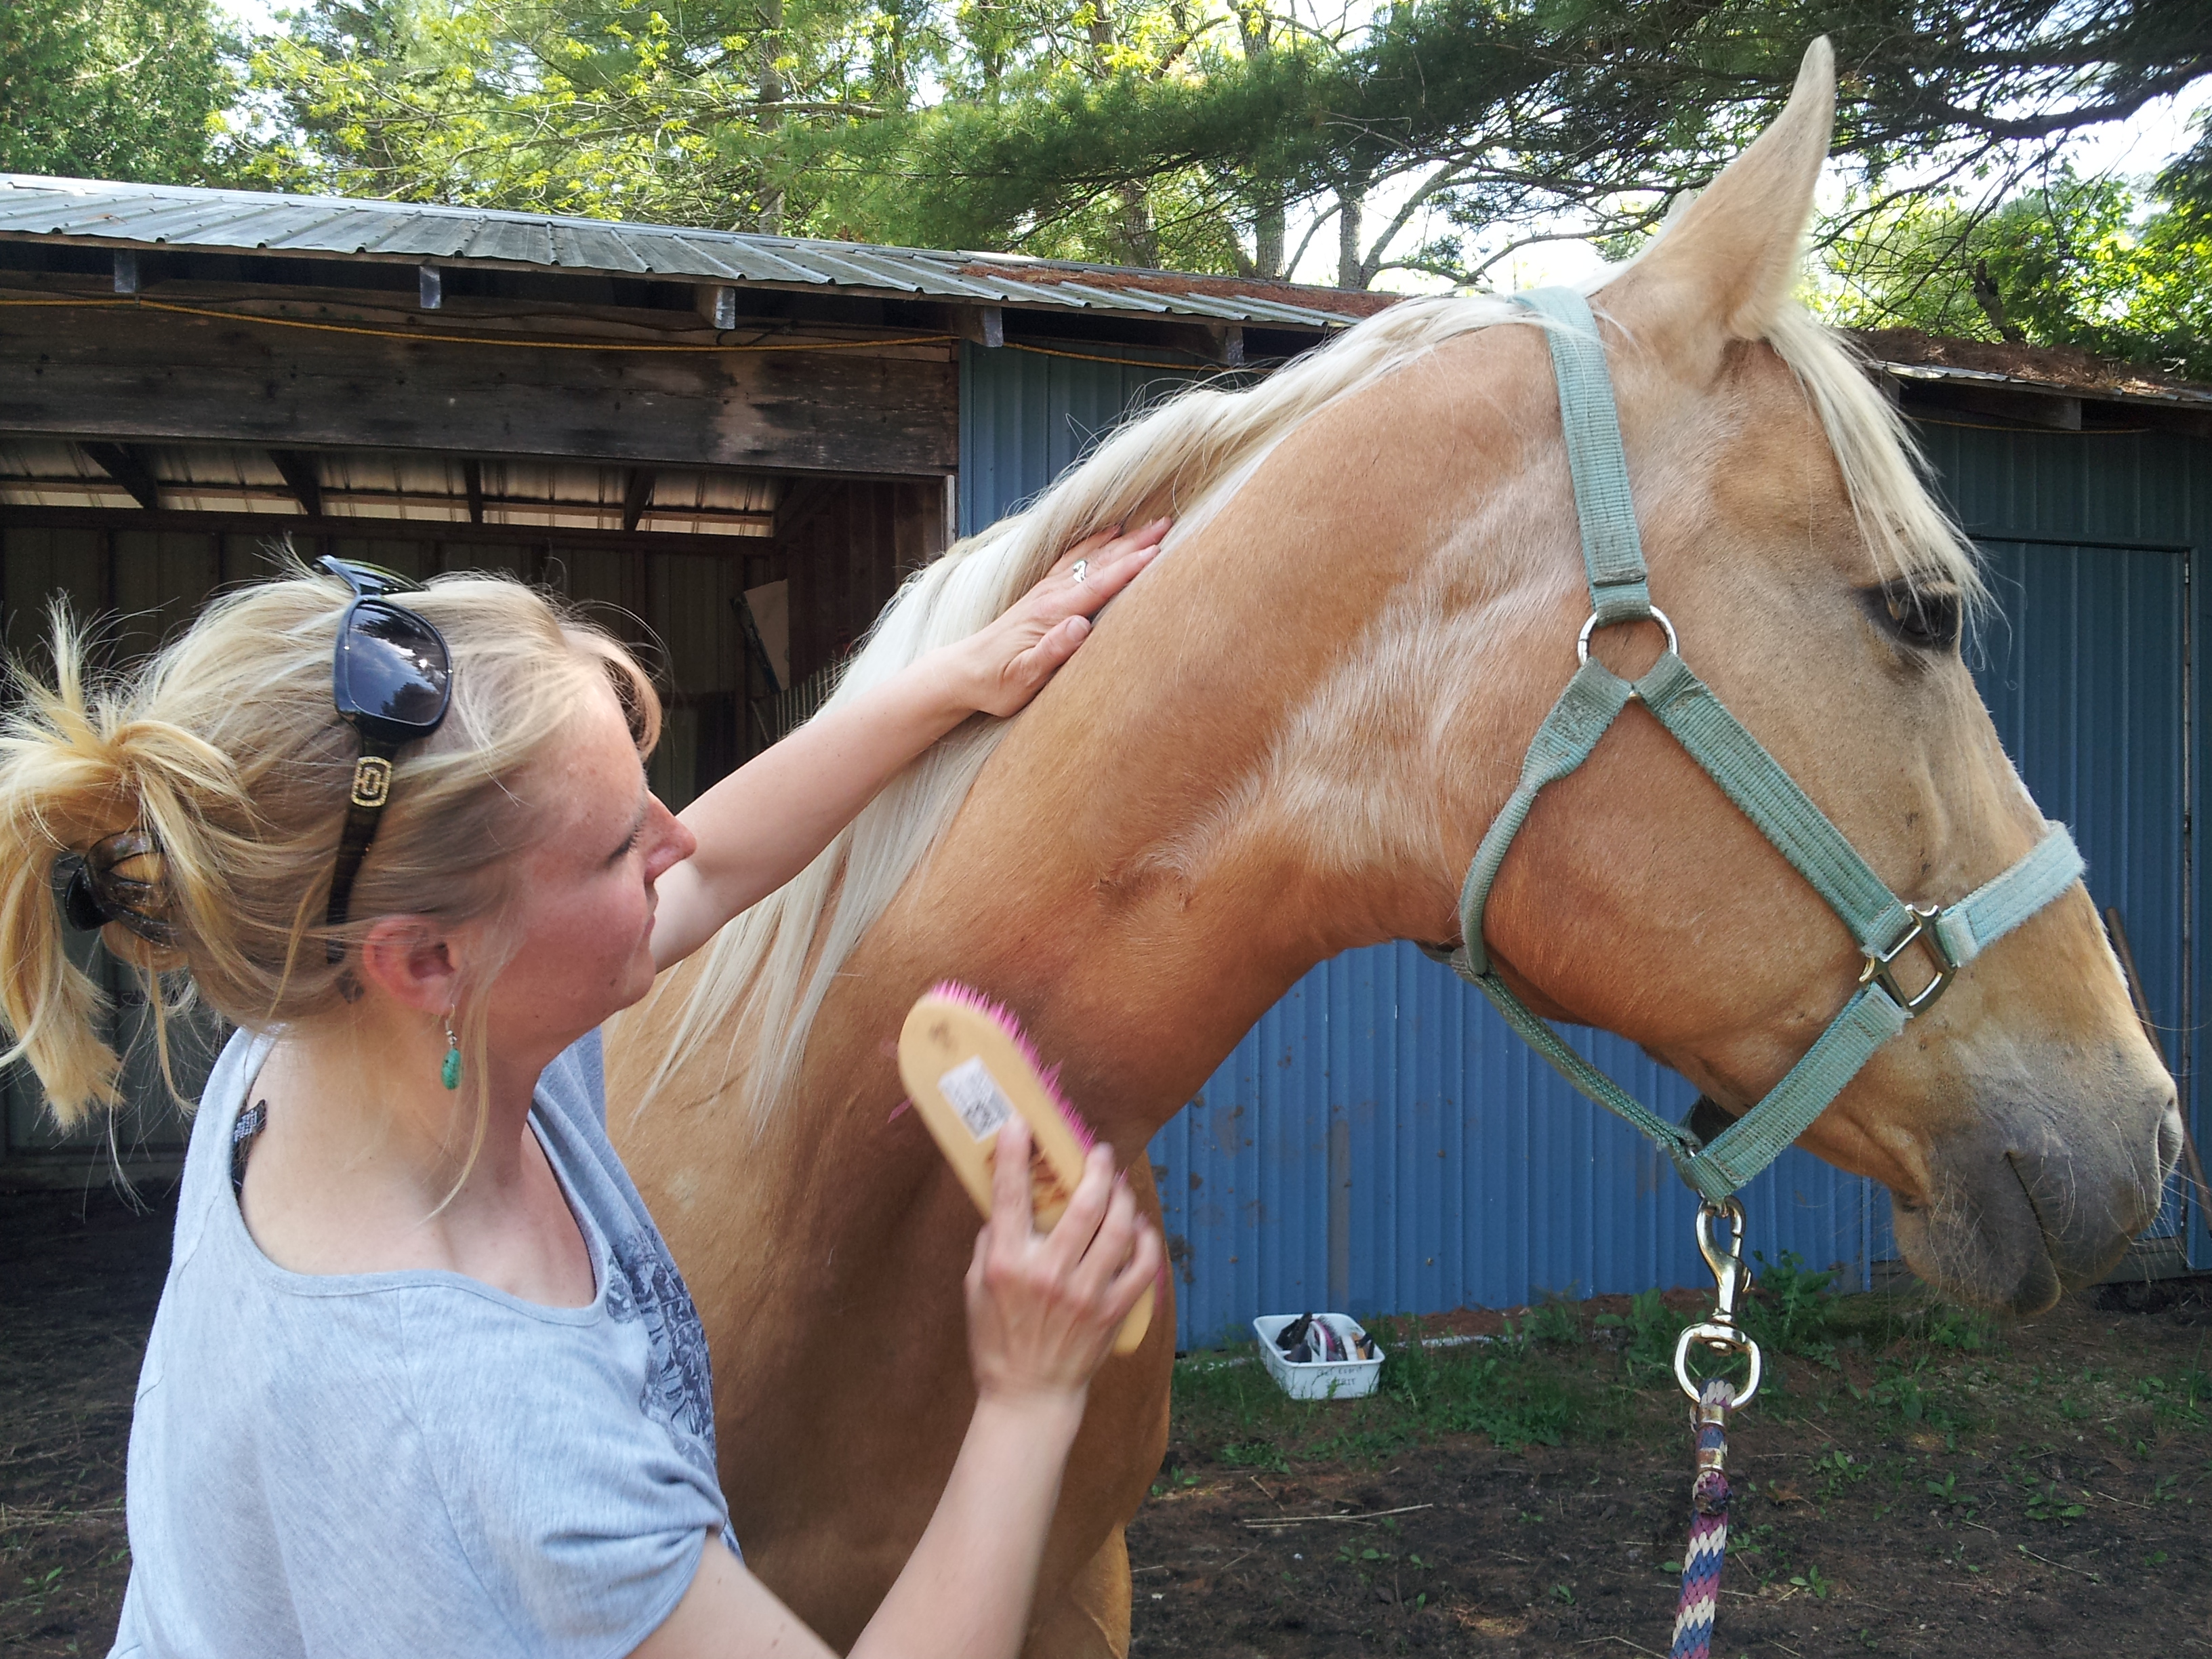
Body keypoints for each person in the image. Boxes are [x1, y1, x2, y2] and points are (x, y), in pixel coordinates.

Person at [0, 519, 1172, 1659]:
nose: (671, 839)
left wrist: (955, 677)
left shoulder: (340, 1035)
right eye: (618, 846)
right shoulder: (492, 1427)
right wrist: (1024, 1398)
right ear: (428, 961)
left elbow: (703, 865)